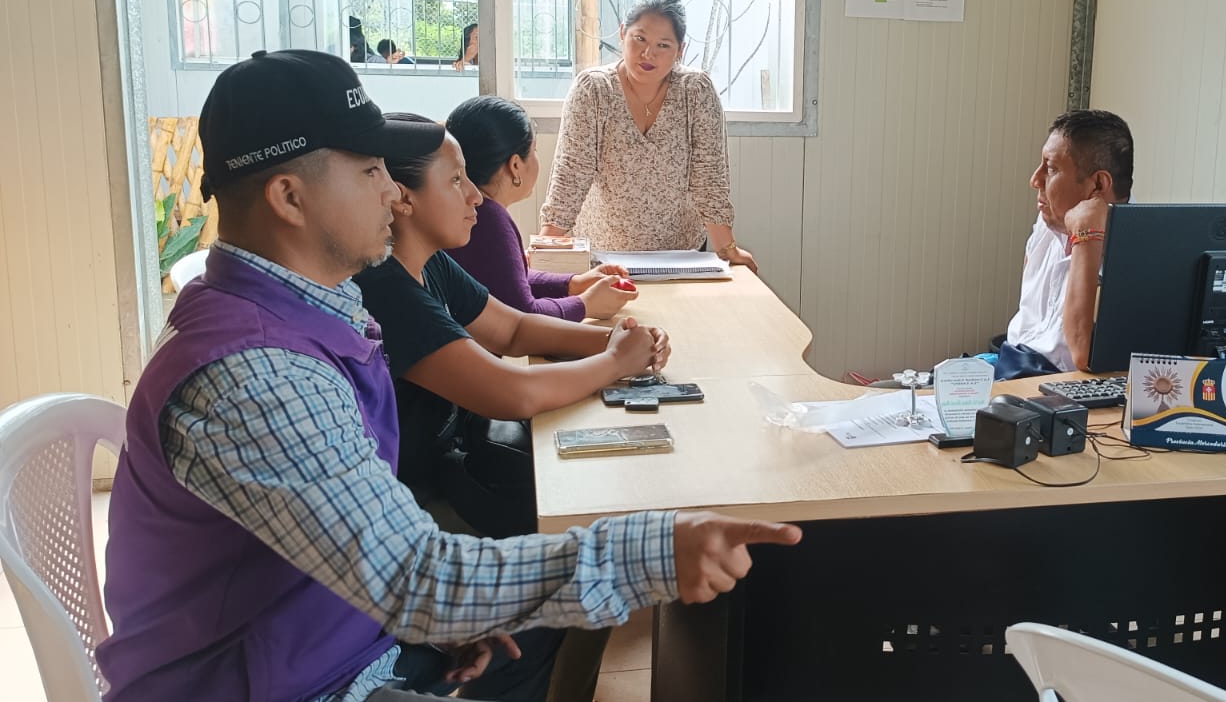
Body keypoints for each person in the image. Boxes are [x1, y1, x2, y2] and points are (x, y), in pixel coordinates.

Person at [94, 49, 802, 702]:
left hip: (343, 642)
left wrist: (434, 622)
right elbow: (415, 577)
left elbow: (382, 560)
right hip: (297, 685)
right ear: (289, 197)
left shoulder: (303, 309)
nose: (392, 195)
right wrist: (653, 550)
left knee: (547, 628)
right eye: (370, 172)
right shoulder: (253, 374)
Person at [353, 111, 660, 536]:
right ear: (403, 198)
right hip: (419, 506)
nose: (475, 196)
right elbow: (513, 393)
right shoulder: (385, 287)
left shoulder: (430, 262)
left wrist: (615, 339)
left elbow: (513, 329)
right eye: (455, 181)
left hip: (452, 459)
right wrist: (616, 362)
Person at [538, 0, 758, 271]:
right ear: (622, 33)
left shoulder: (696, 91)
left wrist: (727, 249)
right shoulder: (593, 90)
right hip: (603, 254)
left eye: (663, 45)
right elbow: (570, 175)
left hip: (681, 253)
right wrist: (544, 253)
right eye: (639, 38)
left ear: (680, 50)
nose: (648, 54)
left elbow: (709, 178)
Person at [445, 95, 636, 321]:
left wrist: (573, 284)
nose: (536, 159)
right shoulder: (488, 219)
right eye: (534, 151)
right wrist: (586, 305)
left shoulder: (465, 210)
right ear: (515, 165)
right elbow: (524, 317)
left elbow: (507, 282)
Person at [999, 109, 1135, 378]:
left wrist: (1086, 236)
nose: (1035, 180)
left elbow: (1081, 354)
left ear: (1098, 184)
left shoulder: (1133, 254)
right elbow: (1027, 319)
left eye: (1051, 169)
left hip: (1055, 383)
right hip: (1009, 364)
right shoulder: (1049, 220)